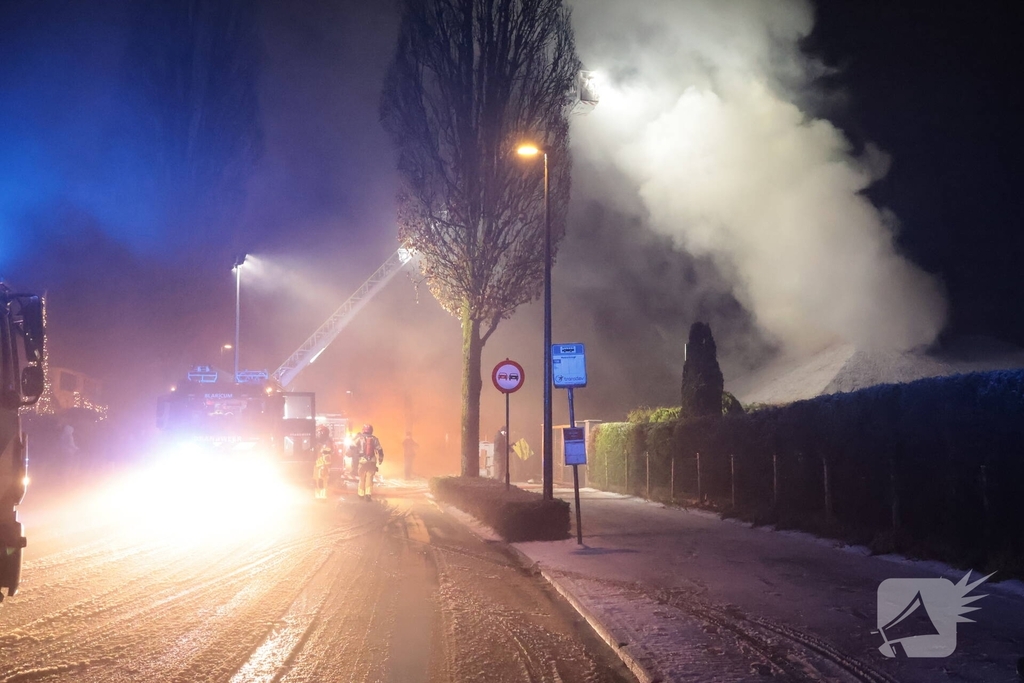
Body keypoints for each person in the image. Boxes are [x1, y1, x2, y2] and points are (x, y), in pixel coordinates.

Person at [350, 424, 384, 501]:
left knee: (362, 478)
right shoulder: (375, 439)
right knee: (370, 477)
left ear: (363, 430)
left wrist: (349, 454)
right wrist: (380, 459)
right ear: (371, 430)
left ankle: (361, 494)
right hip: (372, 461)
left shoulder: (359, 438)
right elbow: (379, 449)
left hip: (362, 461)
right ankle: (368, 494)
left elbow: (351, 446)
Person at [313, 425, 334, 500]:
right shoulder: (320, 441)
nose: (318, 434)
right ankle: (318, 495)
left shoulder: (327, 442)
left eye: (319, 432)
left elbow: (329, 451)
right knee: (317, 479)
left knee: (322, 480)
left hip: (323, 464)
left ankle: (322, 496)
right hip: (318, 464)